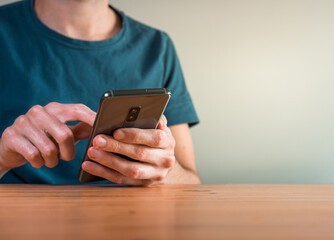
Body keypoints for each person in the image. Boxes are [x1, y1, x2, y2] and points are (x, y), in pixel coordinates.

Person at [0, 0, 200, 185]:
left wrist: (165, 171)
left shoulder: (157, 46)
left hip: (129, 217)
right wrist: (2, 158)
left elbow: (192, 182)